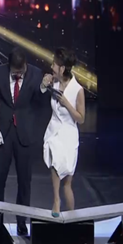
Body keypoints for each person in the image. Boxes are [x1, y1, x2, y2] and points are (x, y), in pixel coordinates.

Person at [0, 47, 53, 235]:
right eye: (15, 73)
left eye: (21, 72)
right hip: (4, 133)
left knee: (24, 183)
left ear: (25, 65)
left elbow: (40, 102)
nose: (18, 75)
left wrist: (43, 88)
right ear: (9, 67)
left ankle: (22, 224)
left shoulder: (36, 74)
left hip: (25, 134)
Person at [43, 48, 85, 217]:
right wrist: (44, 83)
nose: (52, 66)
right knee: (55, 157)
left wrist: (67, 103)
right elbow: (41, 90)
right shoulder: (53, 82)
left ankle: (72, 216)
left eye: (55, 64)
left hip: (69, 133)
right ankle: (56, 200)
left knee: (67, 182)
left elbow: (81, 118)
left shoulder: (77, 90)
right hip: (54, 131)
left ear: (62, 68)